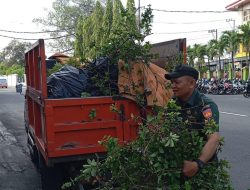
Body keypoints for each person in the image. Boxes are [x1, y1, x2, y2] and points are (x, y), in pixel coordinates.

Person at [165, 65, 220, 179]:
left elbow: (213, 138)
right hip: (179, 164)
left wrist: (198, 164)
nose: (173, 86)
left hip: (202, 167)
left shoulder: (205, 106)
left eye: (177, 82)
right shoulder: (173, 103)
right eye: (172, 82)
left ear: (191, 83)